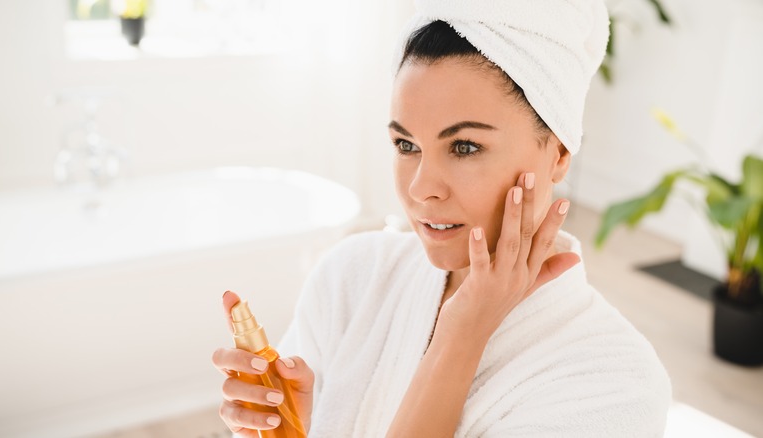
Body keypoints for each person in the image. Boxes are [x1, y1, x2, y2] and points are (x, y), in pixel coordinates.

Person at [212, 1, 672, 436]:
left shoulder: (616, 381)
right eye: (406, 145)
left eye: (464, 147)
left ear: (559, 152)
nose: (420, 188)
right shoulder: (350, 276)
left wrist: (461, 335)